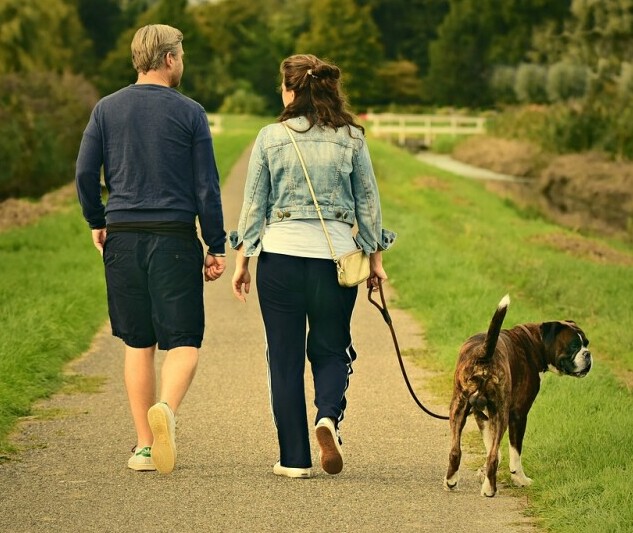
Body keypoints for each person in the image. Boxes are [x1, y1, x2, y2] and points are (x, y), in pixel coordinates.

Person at [230, 54, 396, 478]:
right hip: (335, 261)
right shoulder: (352, 138)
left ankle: (294, 460)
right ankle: (328, 416)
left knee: (283, 358)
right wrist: (375, 261)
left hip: (280, 259)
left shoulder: (270, 137)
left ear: (291, 90)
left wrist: (242, 261)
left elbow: (254, 206)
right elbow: (369, 205)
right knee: (331, 347)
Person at [75, 24, 226, 474]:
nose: (182, 62)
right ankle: (166, 409)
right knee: (183, 341)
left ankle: (144, 444)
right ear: (168, 60)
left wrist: (96, 221)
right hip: (174, 238)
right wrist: (215, 245)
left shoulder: (105, 109)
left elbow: (85, 173)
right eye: (181, 55)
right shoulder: (191, 113)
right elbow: (206, 187)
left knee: (138, 342)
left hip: (122, 235)